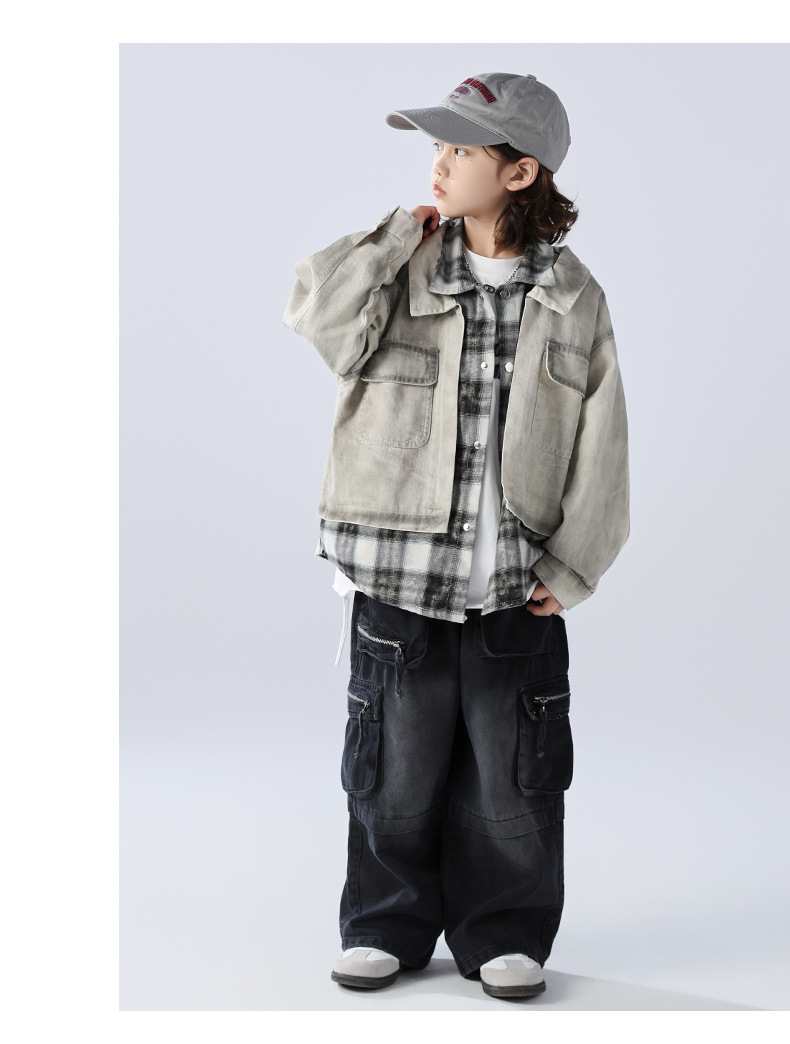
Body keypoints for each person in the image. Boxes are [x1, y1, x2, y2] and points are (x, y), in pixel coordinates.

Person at [282, 72, 630, 1000]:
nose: (439, 163)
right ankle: (385, 923)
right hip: (398, 574)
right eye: (437, 146)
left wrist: (576, 563)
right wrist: (396, 234)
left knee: (513, 777)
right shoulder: (400, 267)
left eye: (462, 150)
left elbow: (603, 440)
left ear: (520, 172)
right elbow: (315, 318)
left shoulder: (574, 298)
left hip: (516, 582)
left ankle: (503, 929)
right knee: (393, 771)